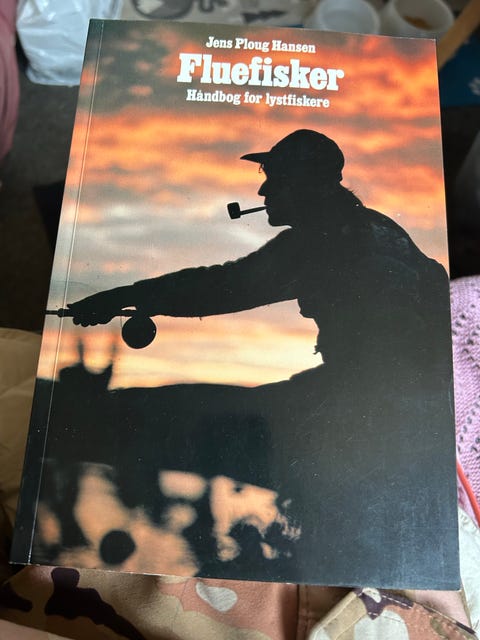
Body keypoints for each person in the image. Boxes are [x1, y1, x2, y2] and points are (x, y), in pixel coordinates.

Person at [65, 129, 455, 584]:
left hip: (365, 410)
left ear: (308, 185)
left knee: (173, 412)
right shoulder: (380, 229)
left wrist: (120, 297)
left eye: (276, 179)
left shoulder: (320, 240)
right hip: (409, 407)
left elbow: (221, 285)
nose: (263, 191)